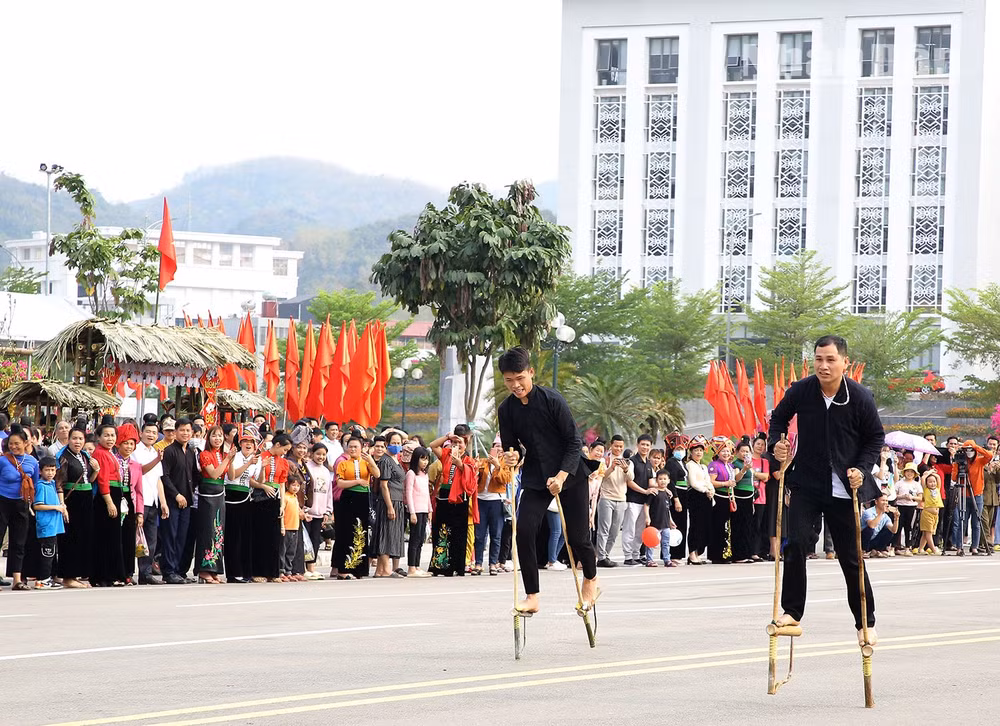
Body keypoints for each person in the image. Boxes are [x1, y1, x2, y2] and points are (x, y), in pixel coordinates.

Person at [770, 335, 885, 647]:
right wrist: (776, 444)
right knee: (795, 544)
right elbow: (779, 417)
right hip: (806, 482)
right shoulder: (801, 390)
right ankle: (792, 611)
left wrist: (861, 469)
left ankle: (866, 621)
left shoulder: (859, 397)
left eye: (830, 359)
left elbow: (875, 437)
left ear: (844, 362)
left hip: (844, 488)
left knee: (850, 558)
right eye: (819, 359)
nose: (823, 365)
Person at [496, 347, 600, 614]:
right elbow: (512, 447)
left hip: (570, 473)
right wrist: (511, 457)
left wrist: (562, 477)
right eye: (509, 380)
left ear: (530, 372)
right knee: (525, 531)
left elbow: (574, 442)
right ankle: (532, 597)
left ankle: (591, 578)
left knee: (578, 538)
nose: (516, 385)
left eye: (520, 377)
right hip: (536, 476)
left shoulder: (553, 399)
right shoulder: (506, 409)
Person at [427, 431, 478, 577]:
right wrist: (448, 437)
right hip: (444, 496)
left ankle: (457, 566)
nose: (457, 446)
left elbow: (471, 481)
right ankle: (441, 566)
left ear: (466, 444)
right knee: (442, 531)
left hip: (460, 499)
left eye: (460, 443)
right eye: (454, 443)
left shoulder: (470, 460)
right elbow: (432, 445)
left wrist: (460, 464)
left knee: (459, 533)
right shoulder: (446, 455)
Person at [55, 425, 99, 588]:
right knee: (70, 538)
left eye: (81, 439)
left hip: (86, 499)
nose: (77, 441)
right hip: (72, 500)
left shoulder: (85, 456)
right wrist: (62, 504)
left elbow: (89, 480)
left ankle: (77, 573)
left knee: (83, 538)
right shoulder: (64, 456)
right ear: (69, 439)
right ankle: (68, 576)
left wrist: (96, 470)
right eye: (74, 438)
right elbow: (59, 483)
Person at [160, 418, 198, 585]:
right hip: (172, 501)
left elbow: (194, 476)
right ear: (175, 432)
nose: (185, 433)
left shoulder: (190, 452)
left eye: (188, 430)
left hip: (187, 501)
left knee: (182, 536)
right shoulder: (169, 451)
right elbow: (164, 476)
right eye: (182, 430)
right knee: (170, 536)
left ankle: (179, 570)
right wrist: (176, 495)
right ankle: (168, 571)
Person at [224, 427, 261, 583]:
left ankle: (246, 571)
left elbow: (259, 480)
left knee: (245, 536)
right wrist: (248, 464)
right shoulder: (236, 457)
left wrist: (262, 465)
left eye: (250, 442)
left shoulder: (255, 459)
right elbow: (232, 476)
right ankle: (233, 573)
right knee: (233, 536)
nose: (248, 444)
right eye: (245, 441)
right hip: (232, 495)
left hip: (246, 496)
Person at [333, 436, 373, 580]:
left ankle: (358, 569)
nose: (353, 449)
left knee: (360, 532)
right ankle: (343, 570)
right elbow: (340, 483)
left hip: (363, 499)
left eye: (356, 446)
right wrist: (357, 481)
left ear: (362, 447)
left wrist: (371, 461)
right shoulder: (343, 463)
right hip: (348, 499)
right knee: (346, 532)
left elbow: (377, 474)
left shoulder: (366, 463)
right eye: (350, 446)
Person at [253, 434, 291, 583]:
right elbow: (254, 479)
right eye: (284, 449)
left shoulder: (283, 462)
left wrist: (282, 503)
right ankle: (258, 570)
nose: (285, 453)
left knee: (274, 537)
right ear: (277, 445)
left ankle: (273, 571)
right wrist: (263, 485)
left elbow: (282, 484)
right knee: (260, 535)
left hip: (275, 496)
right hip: (260, 496)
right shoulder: (261, 457)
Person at [196, 425, 232, 584]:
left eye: (220, 436)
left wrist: (234, 459)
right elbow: (214, 473)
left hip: (220, 493)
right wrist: (227, 459)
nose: (217, 439)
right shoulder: (205, 455)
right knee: (208, 530)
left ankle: (215, 568)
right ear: (208, 438)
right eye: (214, 436)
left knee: (218, 530)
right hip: (208, 493)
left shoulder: (222, 455)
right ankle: (204, 569)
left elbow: (231, 475)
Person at [133, 421, 168, 585]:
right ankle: (128, 572)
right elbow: (140, 472)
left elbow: (158, 480)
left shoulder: (155, 451)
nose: (151, 435)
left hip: (153, 501)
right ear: (141, 433)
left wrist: (163, 502)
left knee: (151, 540)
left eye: (154, 432)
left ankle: (145, 573)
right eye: (148, 432)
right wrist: (156, 460)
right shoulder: (136, 451)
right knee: (135, 538)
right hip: (140, 501)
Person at [474, 437, 511, 576]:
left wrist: (497, 466)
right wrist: (476, 467)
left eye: (501, 446)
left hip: (496, 501)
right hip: (481, 500)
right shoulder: (483, 461)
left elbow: (505, 480)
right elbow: (475, 477)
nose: (499, 449)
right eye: (496, 446)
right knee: (480, 535)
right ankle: (478, 563)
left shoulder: (505, 464)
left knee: (496, 535)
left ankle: (493, 564)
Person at [113, 423, 144, 586]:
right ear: (119, 443)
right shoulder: (113, 461)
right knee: (115, 537)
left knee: (128, 539)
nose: (129, 446)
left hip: (129, 503)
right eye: (126, 443)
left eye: (132, 443)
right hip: (115, 500)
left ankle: (128, 573)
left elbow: (139, 491)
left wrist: (140, 513)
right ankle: (115, 572)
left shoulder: (136, 466)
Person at [372, 435, 407, 578]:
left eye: (399, 443)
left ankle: (379, 570)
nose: (396, 445)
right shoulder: (385, 460)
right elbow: (383, 485)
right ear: (387, 444)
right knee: (386, 534)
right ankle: (386, 569)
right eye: (393, 443)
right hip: (389, 501)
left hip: (397, 500)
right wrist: (390, 507)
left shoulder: (396, 460)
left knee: (390, 533)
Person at [595, 435, 632, 568]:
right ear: (611, 445)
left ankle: (607, 555)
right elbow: (602, 476)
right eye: (616, 446)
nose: (618, 448)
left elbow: (631, 478)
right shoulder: (605, 460)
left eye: (621, 446)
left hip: (621, 499)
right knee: (603, 529)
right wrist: (612, 467)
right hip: (606, 498)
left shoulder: (627, 461)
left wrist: (625, 469)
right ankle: (601, 557)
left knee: (614, 531)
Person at [622, 434, 657, 567]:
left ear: (651, 447)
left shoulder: (648, 464)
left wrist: (662, 488)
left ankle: (636, 555)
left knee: (640, 530)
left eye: (648, 445)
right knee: (629, 529)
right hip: (632, 500)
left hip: (644, 503)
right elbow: (629, 482)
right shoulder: (632, 461)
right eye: (643, 444)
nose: (645, 447)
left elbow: (651, 482)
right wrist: (645, 491)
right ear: (637, 445)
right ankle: (627, 556)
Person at [32, 456, 65, 589]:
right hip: (46, 525)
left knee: (51, 553)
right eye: (47, 470)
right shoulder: (41, 485)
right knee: (47, 553)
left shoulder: (52, 484)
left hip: (53, 526)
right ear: (40, 471)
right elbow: (37, 505)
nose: (50, 473)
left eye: (52, 470)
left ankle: (48, 577)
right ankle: (43, 579)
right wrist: (56, 507)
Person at [303, 442, 332, 580]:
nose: (321, 457)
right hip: (307, 511)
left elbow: (329, 493)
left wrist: (327, 511)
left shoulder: (326, 471)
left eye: (323, 455)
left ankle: (311, 567)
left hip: (320, 512)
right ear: (312, 454)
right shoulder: (306, 468)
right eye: (318, 454)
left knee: (315, 540)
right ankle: (302, 568)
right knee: (305, 540)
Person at [684, 436, 714, 565]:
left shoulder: (703, 466)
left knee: (704, 526)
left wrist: (711, 490)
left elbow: (708, 481)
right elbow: (693, 482)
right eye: (696, 450)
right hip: (696, 496)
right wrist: (705, 490)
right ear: (691, 452)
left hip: (706, 497)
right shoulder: (689, 465)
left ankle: (698, 552)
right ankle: (692, 552)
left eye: (701, 450)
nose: (698, 453)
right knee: (695, 525)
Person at [403, 446, 432, 577]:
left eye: (426, 459)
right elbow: (408, 493)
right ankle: (411, 567)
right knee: (414, 539)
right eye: (422, 459)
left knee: (421, 539)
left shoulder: (424, 475)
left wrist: (430, 509)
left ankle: (417, 565)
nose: (425, 462)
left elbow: (426, 494)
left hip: (424, 510)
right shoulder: (411, 474)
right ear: (416, 459)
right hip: (415, 510)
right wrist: (412, 512)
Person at [730, 439, 757, 563]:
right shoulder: (736, 464)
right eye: (742, 451)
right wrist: (744, 469)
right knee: (739, 525)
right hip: (740, 495)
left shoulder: (749, 464)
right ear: (737, 452)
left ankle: (748, 552)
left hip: (749, 496)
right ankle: (739, 554)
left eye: (747, 451)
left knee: (748, 525)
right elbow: (736, 479)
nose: (745, 453)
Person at [664, 433, 689, 565]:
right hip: (677, 494)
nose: (680, 451)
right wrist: (676, 498)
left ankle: (679, 555)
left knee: (683, 525)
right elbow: (671, 482)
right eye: (678, 449)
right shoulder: (671, 462)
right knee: (676, 524)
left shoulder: (682, 462)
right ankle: (672, 554)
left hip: (684, 493)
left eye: (682, 449)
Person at [893, 462, 922, 555]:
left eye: (912, 472)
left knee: (908, 528)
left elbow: (920, 498)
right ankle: (894, 547)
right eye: (908, 471)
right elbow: (894, 495)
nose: (909, 474)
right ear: (904, 472)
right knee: (898, 526)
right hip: (900, 506)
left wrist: (912, 498)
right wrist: (902, 496)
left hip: (911, 507)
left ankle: (908, 547)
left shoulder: (916, 484)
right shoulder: (899, 483)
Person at [280, 474, 303, 581]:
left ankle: (288, 571)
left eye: (298, 486)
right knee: (283, 551)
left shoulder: (295, 497)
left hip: (295, 527)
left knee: (291, 551)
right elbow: (282, 512)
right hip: (287, 527)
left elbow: (298, 511)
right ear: (287, 485)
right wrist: (282, 527)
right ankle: (281, 571)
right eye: (293, 485)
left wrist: (304, 515)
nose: (295, 488)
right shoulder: (285, 497)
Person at [919, 469, 944, 555]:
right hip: (927, 514)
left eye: (934, 481)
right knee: (928, 533)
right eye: (930, 482)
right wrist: (928, 473)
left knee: (926, 533)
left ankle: (920, 549)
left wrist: (934, 473)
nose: (933, 483)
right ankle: (933, 549)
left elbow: (938, 478)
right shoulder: (925, 489)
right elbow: (923, 479)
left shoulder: (937, 488)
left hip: (935, 515)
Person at [981, 436, 999, 555]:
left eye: (994, 445)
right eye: (990, 444)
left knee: (990, 522)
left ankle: (986, 543)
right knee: (984, 522)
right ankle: (987, 543)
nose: (992, 446)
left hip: (993, 498)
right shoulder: (981, 460)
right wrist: (987, 467)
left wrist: (997, 468)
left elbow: (998, 480)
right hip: (982, 496)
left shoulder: (997, 462)